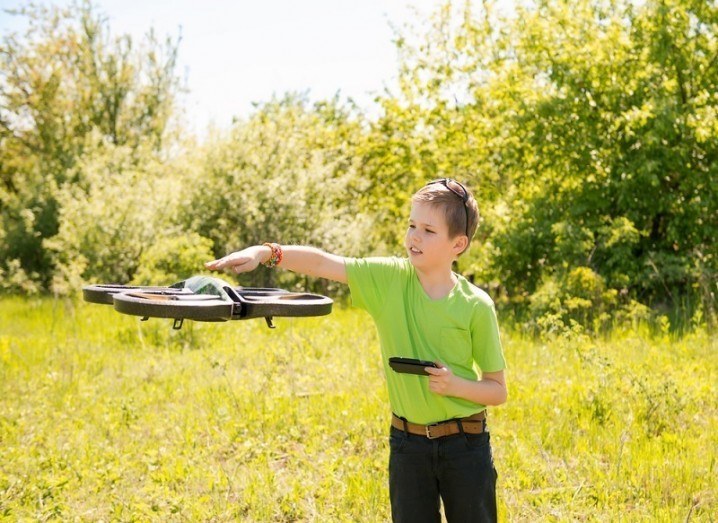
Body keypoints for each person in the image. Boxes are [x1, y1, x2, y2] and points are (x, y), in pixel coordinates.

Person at [204, 178, 507, 523]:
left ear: (458, 243)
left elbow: (497, 390)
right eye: (411, 225)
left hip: (466, 445)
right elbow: (323, 264)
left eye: (427, 230)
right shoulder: (390, 279)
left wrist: (455, 386)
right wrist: (266, 253)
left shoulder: (476, 306)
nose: (413, 237)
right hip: (408, 445)